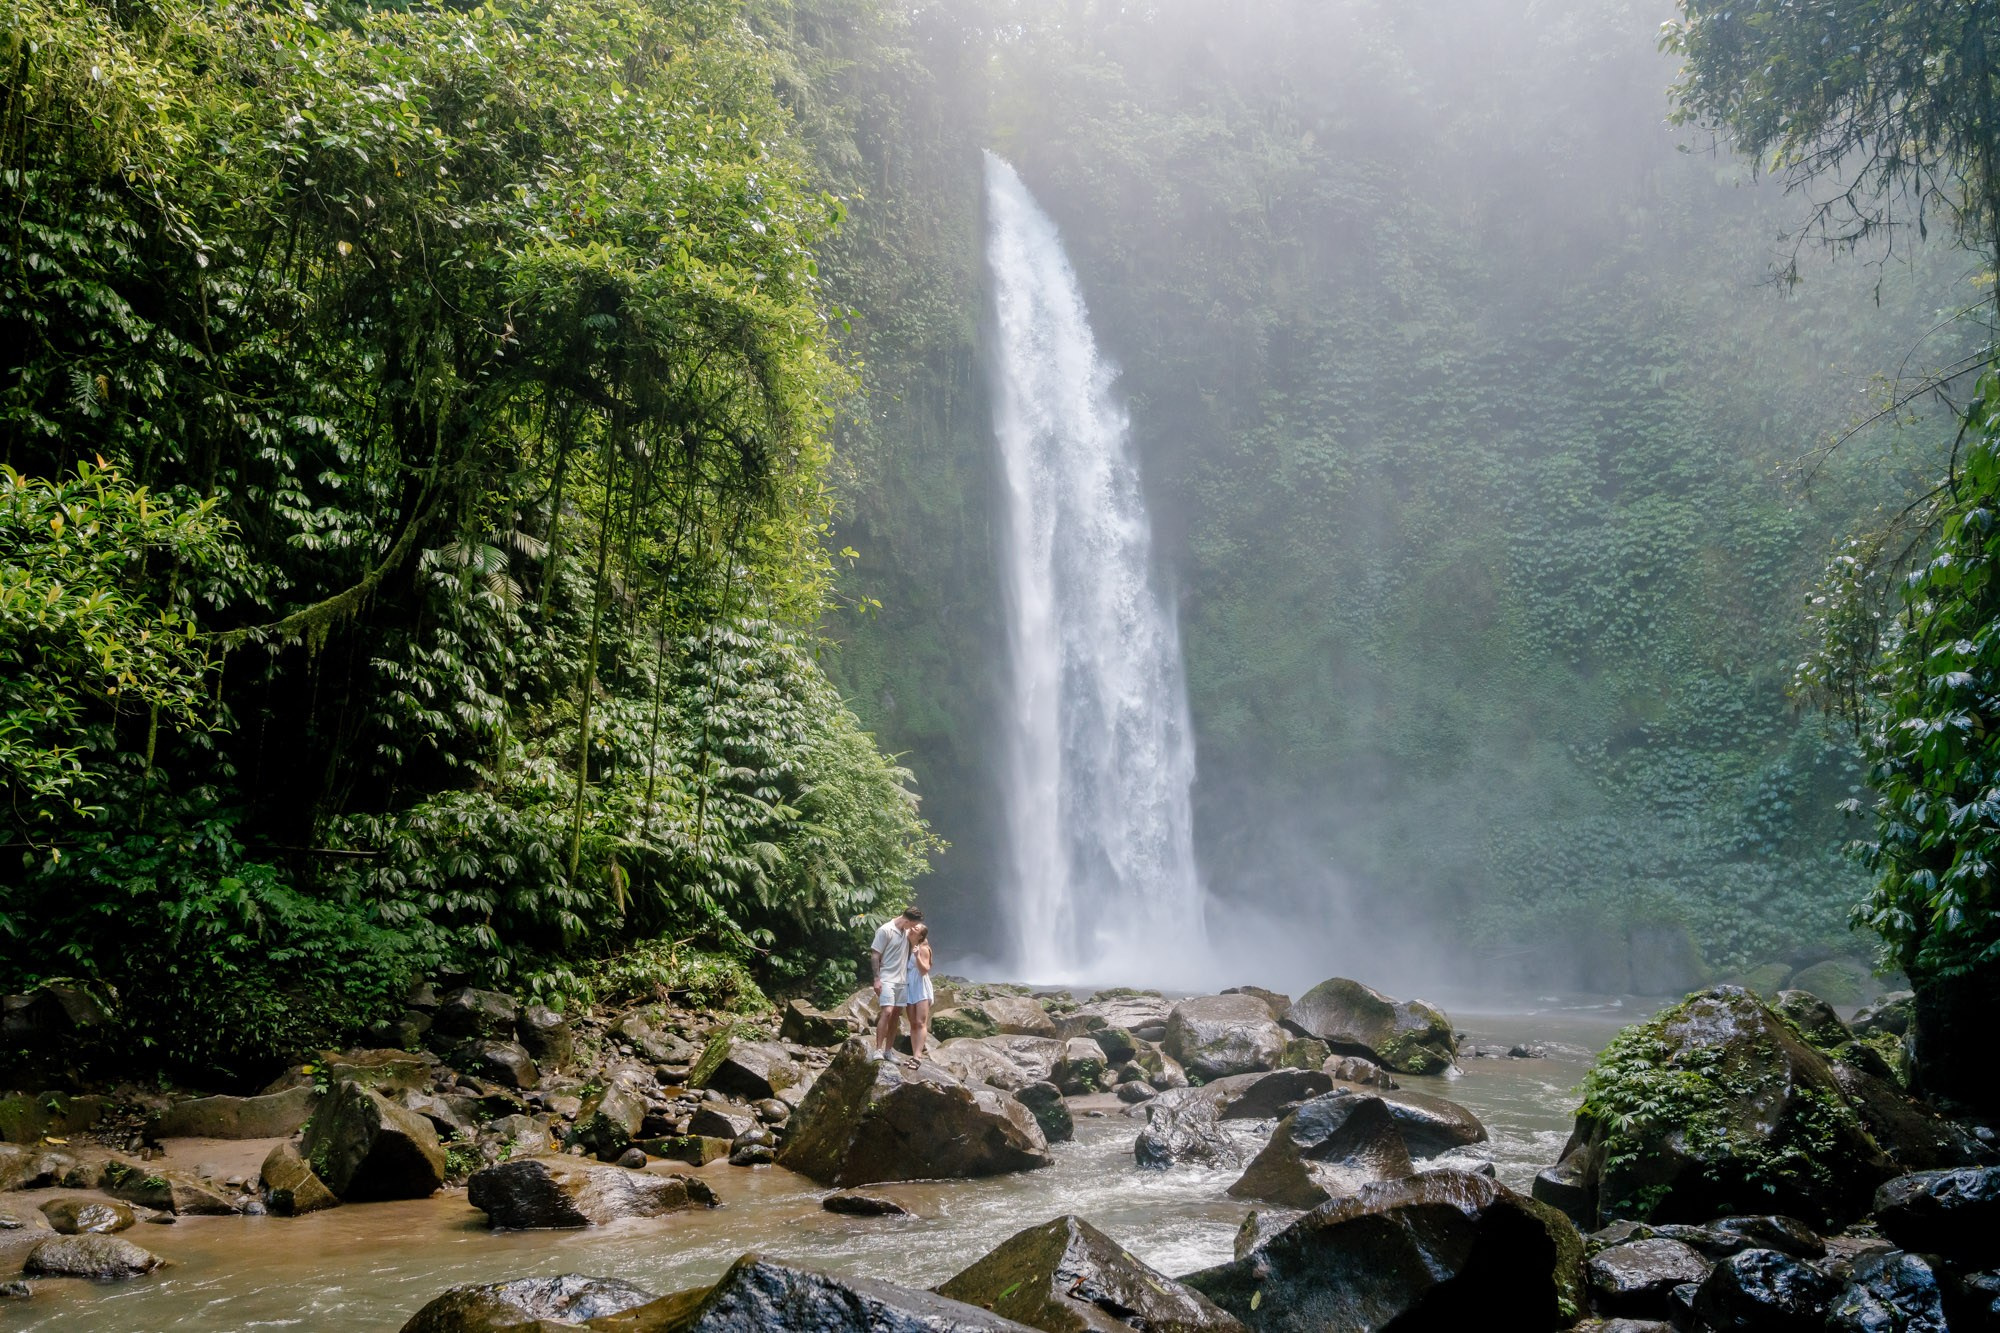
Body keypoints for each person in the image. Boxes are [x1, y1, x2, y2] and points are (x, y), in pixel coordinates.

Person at [869, 906, 922, 1062]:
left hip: (902, 980)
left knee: (896, 1016)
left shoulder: (907, 932)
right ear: (907, 920)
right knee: (887, 1011)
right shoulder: (885, 930)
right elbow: (875, 955)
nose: (913, 928)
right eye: (912, 925)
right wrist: (876, 978)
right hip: (886, 978)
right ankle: (878, 1049)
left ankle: (888, 1051)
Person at [905, 922, 935, 1064]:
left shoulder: (923, 948)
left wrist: (917, 956)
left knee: (920, 1022)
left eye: (915, 929)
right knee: (912, 1023)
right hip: (909, 985)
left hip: (920, 985)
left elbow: (924, 970)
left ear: (921, 935)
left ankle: (918, 1055)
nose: (912, 929)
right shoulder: (906, 945)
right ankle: (913, 1053)